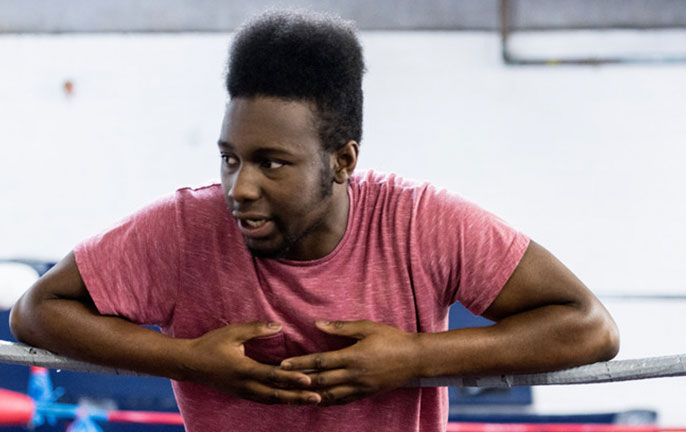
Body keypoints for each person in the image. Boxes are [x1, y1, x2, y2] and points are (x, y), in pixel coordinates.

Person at [10, 10, 619, 432]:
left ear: (343, 160)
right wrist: (189, 359)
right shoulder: (182, 228)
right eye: (230, 159)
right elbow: (36, 313)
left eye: (272, 163)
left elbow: (588, 327)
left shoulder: (419, 223)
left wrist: (415, 357)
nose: (239, 188)